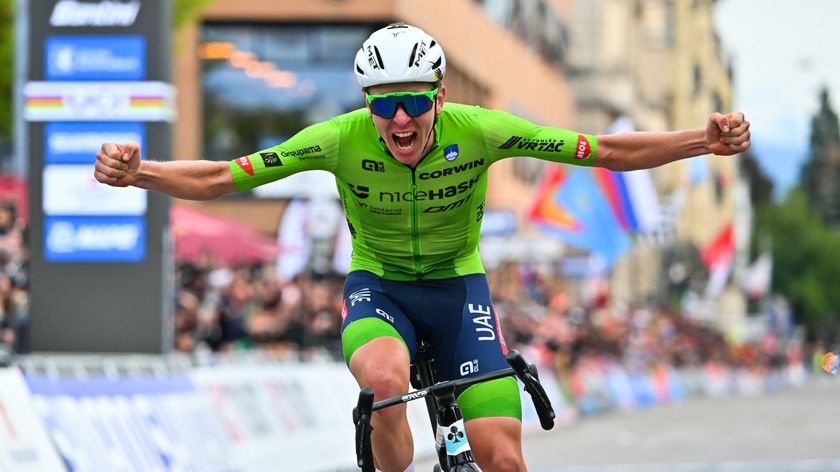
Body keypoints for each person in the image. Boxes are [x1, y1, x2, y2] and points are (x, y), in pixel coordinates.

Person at [95, 23, 750, 472]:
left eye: (413, 101)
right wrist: (139, 173)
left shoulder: (485, 129)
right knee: (385, 382)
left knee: (504, 458)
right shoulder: (337, 138)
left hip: (458, 289)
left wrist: (704, 140)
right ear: (365, 103)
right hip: (379, 289)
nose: (399, 120)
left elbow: (604, 151)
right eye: (384, 106)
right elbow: (221, 176)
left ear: (439, 95)